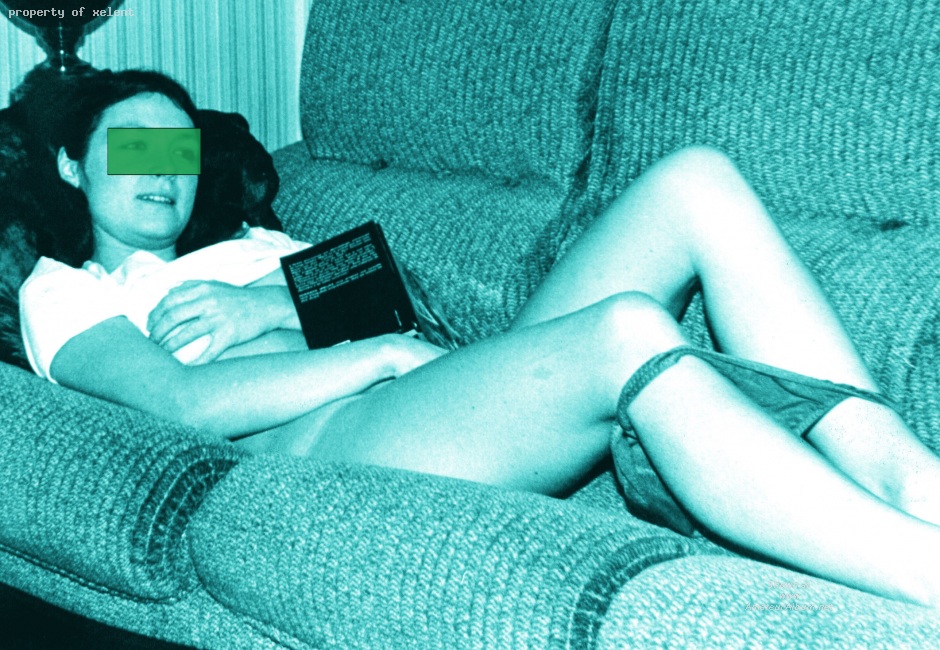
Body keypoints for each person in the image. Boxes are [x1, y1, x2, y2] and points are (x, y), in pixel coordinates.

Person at [17, 70, 940, 609]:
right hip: (342, 445)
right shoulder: (67, 288)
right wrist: (376, 354)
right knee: (628, 331)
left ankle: (908, 477)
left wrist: (264, 306)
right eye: (132, 148)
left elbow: (393, 297)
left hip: (445, 387)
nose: (162, 172)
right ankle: (919, 574)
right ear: (70, 164)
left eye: (178, 151)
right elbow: (179, 402)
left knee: (694, 182)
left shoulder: (259, 245)